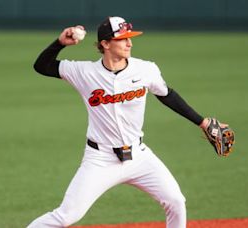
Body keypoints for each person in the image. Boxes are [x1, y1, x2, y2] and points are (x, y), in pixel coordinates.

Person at [28, 16, 222, 228]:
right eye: (123, 39)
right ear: (105, 44)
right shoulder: (84, 72)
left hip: (139, 156)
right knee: (67, 216)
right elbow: (42, 66)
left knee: (176, 201)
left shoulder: (146, 69)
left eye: (130, 38)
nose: (130, 43)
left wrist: (202, 122)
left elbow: (167, 95)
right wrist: (60, 43)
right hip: (100, 159)